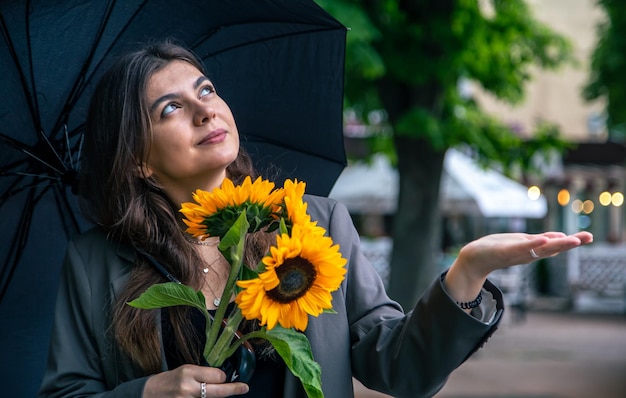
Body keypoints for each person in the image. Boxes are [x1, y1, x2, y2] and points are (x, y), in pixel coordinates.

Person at [38, 41, 593, 398]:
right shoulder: (95, 261)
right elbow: (66, 393)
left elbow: (401, 367)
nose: (206, 108)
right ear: (137, 157)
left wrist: (468, 271)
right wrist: (147, 394)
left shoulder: (317, 225)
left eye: (205, 89)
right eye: (171, 108)